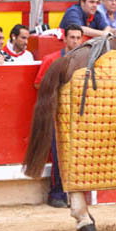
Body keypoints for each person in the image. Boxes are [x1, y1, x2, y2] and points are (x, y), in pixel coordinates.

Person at [33, 23, 84, 208]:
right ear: (64, 39)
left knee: (76, 154)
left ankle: (72, 194)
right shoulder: (52, 59)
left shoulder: (84, 61)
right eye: (72, 37)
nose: (76, 41)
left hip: (78, 115)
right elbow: (39, 84)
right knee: (59, 153)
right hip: (57, 113)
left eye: (78, 38)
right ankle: (56, 193)